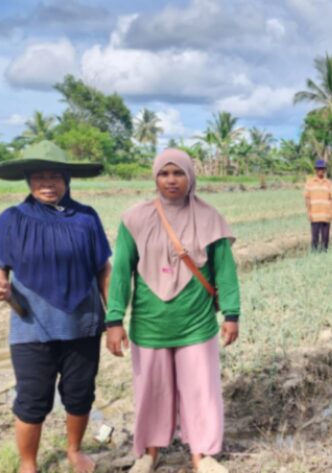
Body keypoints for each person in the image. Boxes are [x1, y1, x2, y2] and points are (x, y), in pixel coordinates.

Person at [105, 149, 240, 473]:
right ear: (155, 177)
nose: (171, 180)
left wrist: (232, 315)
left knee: (201, 390)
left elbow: (225, 271)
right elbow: (121, 272)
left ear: (190, 177)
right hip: (150, 324)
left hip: (196, 323)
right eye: (164, 174)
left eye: (178, 173)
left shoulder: (210, 218)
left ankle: (202, 455)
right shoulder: (134, 219)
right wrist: (114, 320)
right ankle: (149, 453)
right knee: (151, 390)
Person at [0, 141, 111, 473]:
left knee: (80, 394)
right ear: (28, 180)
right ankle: (28, 463)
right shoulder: (13, 219)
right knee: (32, 400)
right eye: (39, 177)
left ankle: (74, 450)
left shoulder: (86, 218)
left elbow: (103, 269)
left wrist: (115, 318)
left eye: (55, 176)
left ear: (67, 179)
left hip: (82, 323)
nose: (47, 183)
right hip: (31, 326)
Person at [304, 159, 332, 252]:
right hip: (314, 215)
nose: (320, 171)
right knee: (315, 238)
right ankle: (314, 254)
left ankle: (324, 254)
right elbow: (307, 198)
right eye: (318, 169)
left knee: (325, 238)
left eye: (322, 169)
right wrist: (309, 212)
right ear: (315, 170)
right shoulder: (309, 183)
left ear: (325, 170)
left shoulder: (328, 183)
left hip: (326, 215)